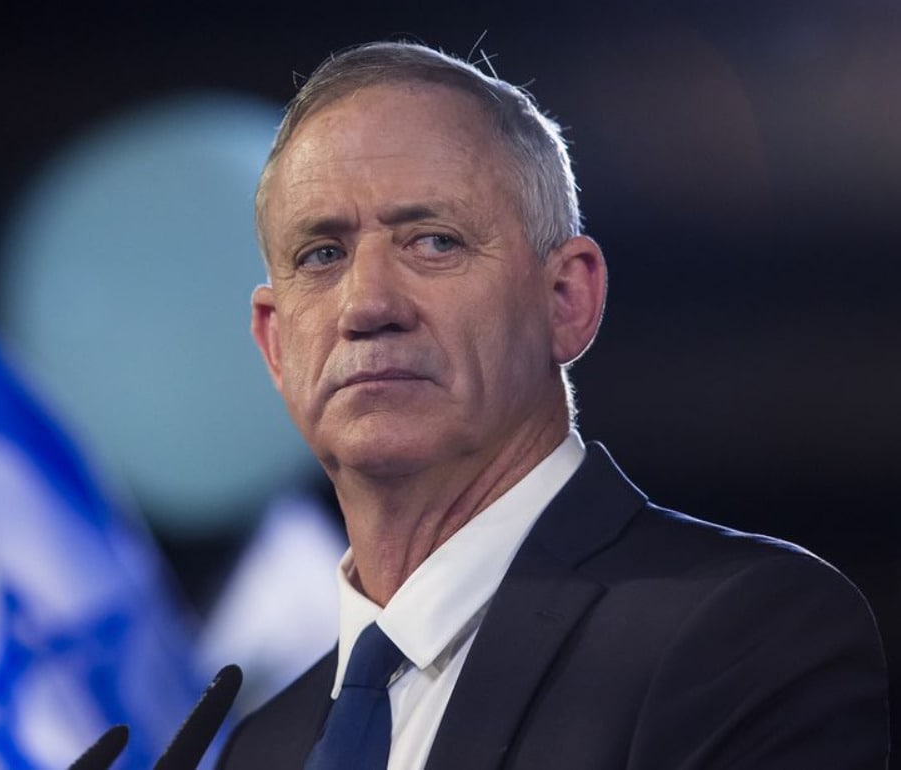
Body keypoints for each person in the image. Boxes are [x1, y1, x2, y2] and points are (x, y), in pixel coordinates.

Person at [215, 41, 889, 770]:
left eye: (434, 242)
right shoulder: (258, 748)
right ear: (275, 344)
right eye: (321, 254)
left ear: (567, 299)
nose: (368, 305)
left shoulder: (744, 637)